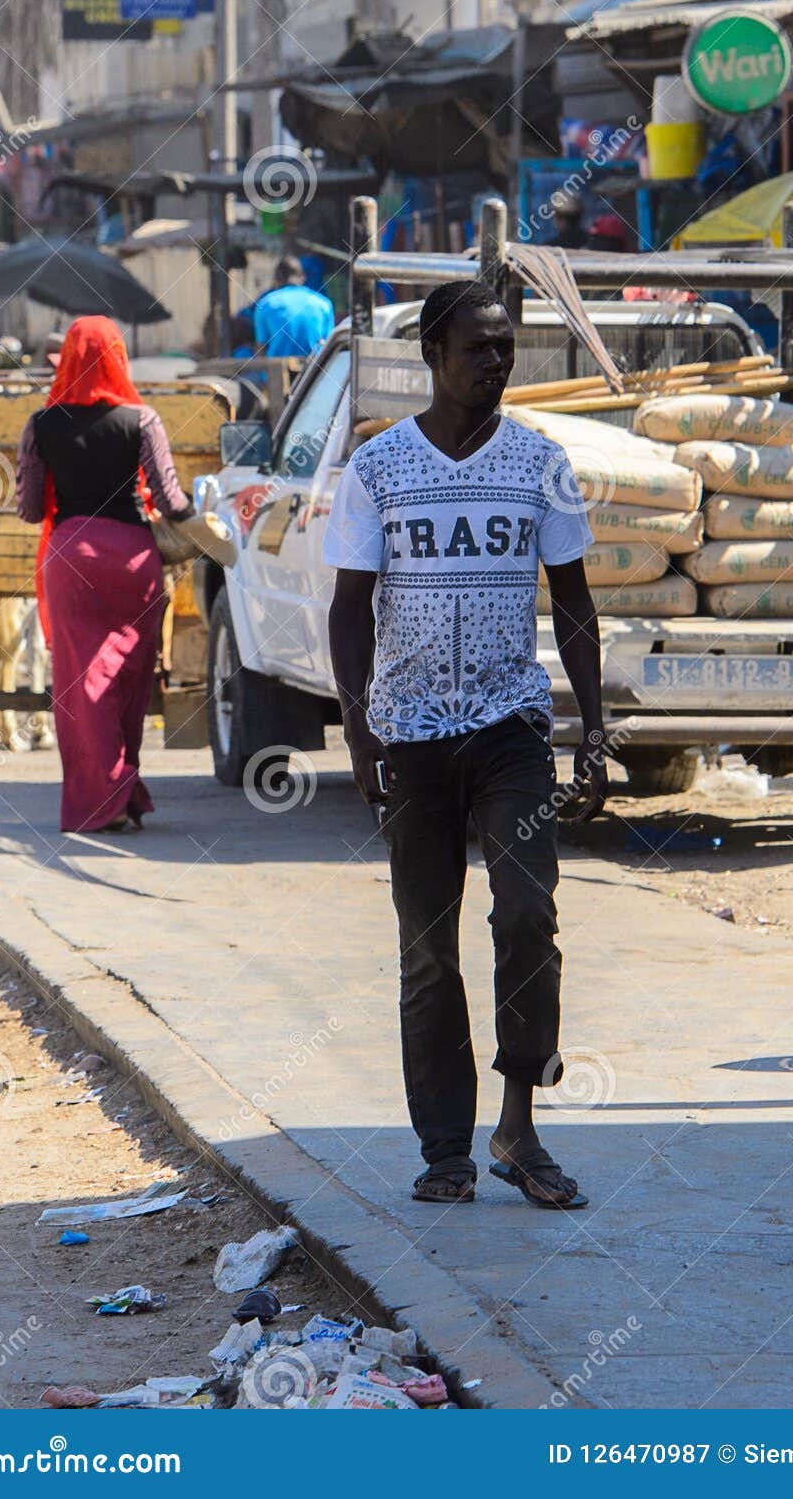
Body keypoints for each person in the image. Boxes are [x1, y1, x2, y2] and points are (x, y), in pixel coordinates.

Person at [324, 279, 608, 1210]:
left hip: (509, 730)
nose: (495, 361)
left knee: (526, 913)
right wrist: (360, 727)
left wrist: (593, 729)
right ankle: (444, 1146)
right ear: (433, 355)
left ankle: (519, 1126)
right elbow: (349, 608)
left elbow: (572, 602)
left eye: (505, 346)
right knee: (426, 947)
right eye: (478, 346)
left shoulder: (540, 462)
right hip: (410, 737)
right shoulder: (376, 468)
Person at [15, 315, 191, 834]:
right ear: (119, 355)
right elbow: (170, 499)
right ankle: (122, 789)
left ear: (66, 357)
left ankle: (104, 797)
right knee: (127, 680)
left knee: (80, 684)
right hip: (134, 562)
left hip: (70, 560)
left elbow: (28, 510)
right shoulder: (143, 420)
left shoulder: (40, 425)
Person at [239, 256, 334, 358]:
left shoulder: (265, 304)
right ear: (303, 278)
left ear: (276, 280)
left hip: (276, 372)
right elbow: (328, 344)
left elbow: (262, 348)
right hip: (315, 371)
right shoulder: (323, 304)